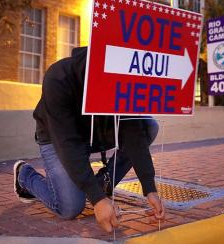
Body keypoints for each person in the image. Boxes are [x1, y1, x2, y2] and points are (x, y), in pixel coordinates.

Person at [13, 47, 165, 233]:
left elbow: (132, 132)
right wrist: (97, 199)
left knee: (149, 125)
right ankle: (25, 175)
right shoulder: (58, 78)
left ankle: (102, 184)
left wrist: (150, 189)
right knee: (70, 208)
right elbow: (68, 144)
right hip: (57, 138)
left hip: (96, 134)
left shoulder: (122, 75)